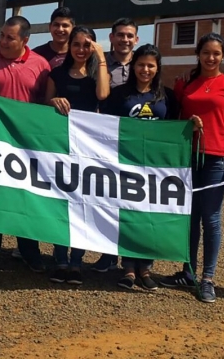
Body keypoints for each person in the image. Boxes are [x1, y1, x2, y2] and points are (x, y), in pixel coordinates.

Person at [159, 33, 224, 304]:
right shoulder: (184, 83)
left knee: (211, 218)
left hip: (216, 158)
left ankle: (208, 278)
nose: (211, 58)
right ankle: (188, 271)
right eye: (206, 52)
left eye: (216, 53)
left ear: (223, 56)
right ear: (198, 53)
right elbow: (175, 119)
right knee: (189, 217)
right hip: (186, 157)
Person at [0, 16, 50, 273]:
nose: (3, 41)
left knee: (26, 196)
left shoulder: (41, 65)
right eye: (1, 35)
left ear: (25, 40)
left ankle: (29, 251)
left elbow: (45, 104)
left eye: (9, 37)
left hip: (26, 145)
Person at [100, 44, 178, 291]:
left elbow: (175, 129)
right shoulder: (119, 94)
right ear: (133, 66)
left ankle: (146, 268)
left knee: (149, 217)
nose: (145, 69)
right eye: (141, 64)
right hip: (124, 163)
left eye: (150, 65)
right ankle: (129, 269)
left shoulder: (168, 96)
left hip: (155, 168)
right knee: (127, 215)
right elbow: (104, 125)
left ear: (157, 68)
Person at [45, 26, 109, 285]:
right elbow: (45, 102)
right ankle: (60, 259)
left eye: (87, 45)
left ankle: (76, 262)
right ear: (69, 46)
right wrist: (54, 101)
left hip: (87, 149)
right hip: (60, 145)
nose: (81, 50)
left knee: (81, 205)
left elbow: (103, 95)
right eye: (77, 44)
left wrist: (101, 58)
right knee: (60, 202)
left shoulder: (97, 74)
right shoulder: (57, 73)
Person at [91, 17, 139, 274]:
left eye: (129, 36)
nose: (125, 39)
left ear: (136, 40)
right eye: (120, 35)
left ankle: (131, 259)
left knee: (131, 200)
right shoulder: (98, 63)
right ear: (111, 37)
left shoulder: (143, 64)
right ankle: (108, 253)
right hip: (104, 138)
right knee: (106, 198)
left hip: (133, 142)